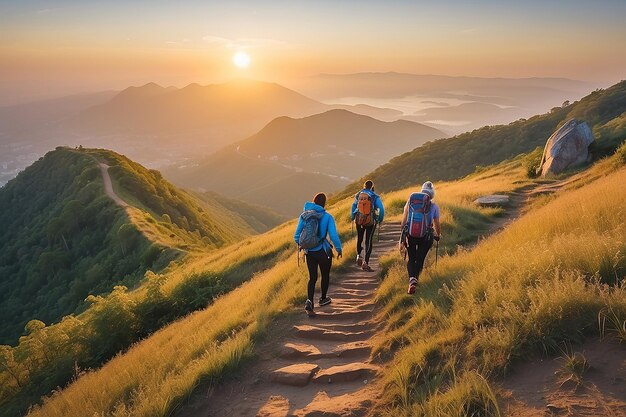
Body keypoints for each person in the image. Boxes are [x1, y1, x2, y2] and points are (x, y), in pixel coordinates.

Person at [294, 192, 343, 316]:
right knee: (325, 275)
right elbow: (333, 235)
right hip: (323, 251)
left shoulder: (304, 216)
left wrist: (305, 244)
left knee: (312, 278)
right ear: (324, 203)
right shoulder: (327, 217)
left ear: (313, 202)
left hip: (309, 252)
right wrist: (338, 249)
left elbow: (296, 236)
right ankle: (323, 299)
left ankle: (309, 301)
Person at [400, 181, 441, 294]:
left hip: (410, 234)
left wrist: (403, 231)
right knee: (420, 258)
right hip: (426, 237)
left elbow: (404, 219)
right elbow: (436, 223)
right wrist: (438, 234)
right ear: (432, 194)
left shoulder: (410, 202)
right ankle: (415, 280)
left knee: (411, 258)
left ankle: (411, 279)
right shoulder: (434, 206)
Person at [351, 180, 385, 272]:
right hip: (370, 221)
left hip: (359, 220)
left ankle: (358, 255)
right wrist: (379, 219)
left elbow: (353, 206)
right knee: (368, 240)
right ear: (371, 187)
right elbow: (381, 209)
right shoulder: (374, 196)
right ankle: (365, 262)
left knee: (360, 238)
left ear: (364, 186)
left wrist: (353, 216)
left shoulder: (358, 195)